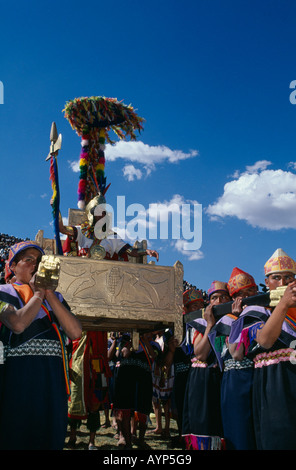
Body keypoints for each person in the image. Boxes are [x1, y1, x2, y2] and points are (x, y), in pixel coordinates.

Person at [0, 241, 82, 450]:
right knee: (18, 435)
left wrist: (49, 294)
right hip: (19, 379)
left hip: (52, 380)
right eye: (28, 260)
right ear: (13, 266)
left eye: (39, 261)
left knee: (50, 435)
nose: (35, 265)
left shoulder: (55, 298)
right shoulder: (4, 291)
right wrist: (38, 294)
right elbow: (17, 324)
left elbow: (75, 332)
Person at [229, 248, 296, 450]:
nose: (283, 283)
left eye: (289, 277)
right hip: (275, 380)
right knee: (280, 437)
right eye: (276, 278)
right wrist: (283, 305)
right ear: (267, 282)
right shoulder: (256, 309)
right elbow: (265, 340)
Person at [209, 270, 258, 450]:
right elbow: (235, 352)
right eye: (239, 295)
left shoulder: (263, 314)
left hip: (258, 377)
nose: (245, 298)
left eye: (250, 293)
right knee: (238, 429)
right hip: (235, 381)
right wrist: (238, 319)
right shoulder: (228, 321)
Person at [182, 284, 228, 450]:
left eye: (224, 297)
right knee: (203, 421)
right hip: (202, 378)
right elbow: (200, 353)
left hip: (223, 377)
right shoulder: (200, 322)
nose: (219, 301)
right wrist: (210, 325)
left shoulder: (230, 320)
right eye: (214, 298)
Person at [113, 332, 161, 449]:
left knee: (143, 409)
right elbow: (124, 354)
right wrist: (132, 342)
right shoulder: (125, 341)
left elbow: (153, 356)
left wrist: (144, 341)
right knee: (125, 410)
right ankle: (127, 441)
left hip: (143, 380)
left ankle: (141, 439)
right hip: (127, 378)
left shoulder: (153, 344)